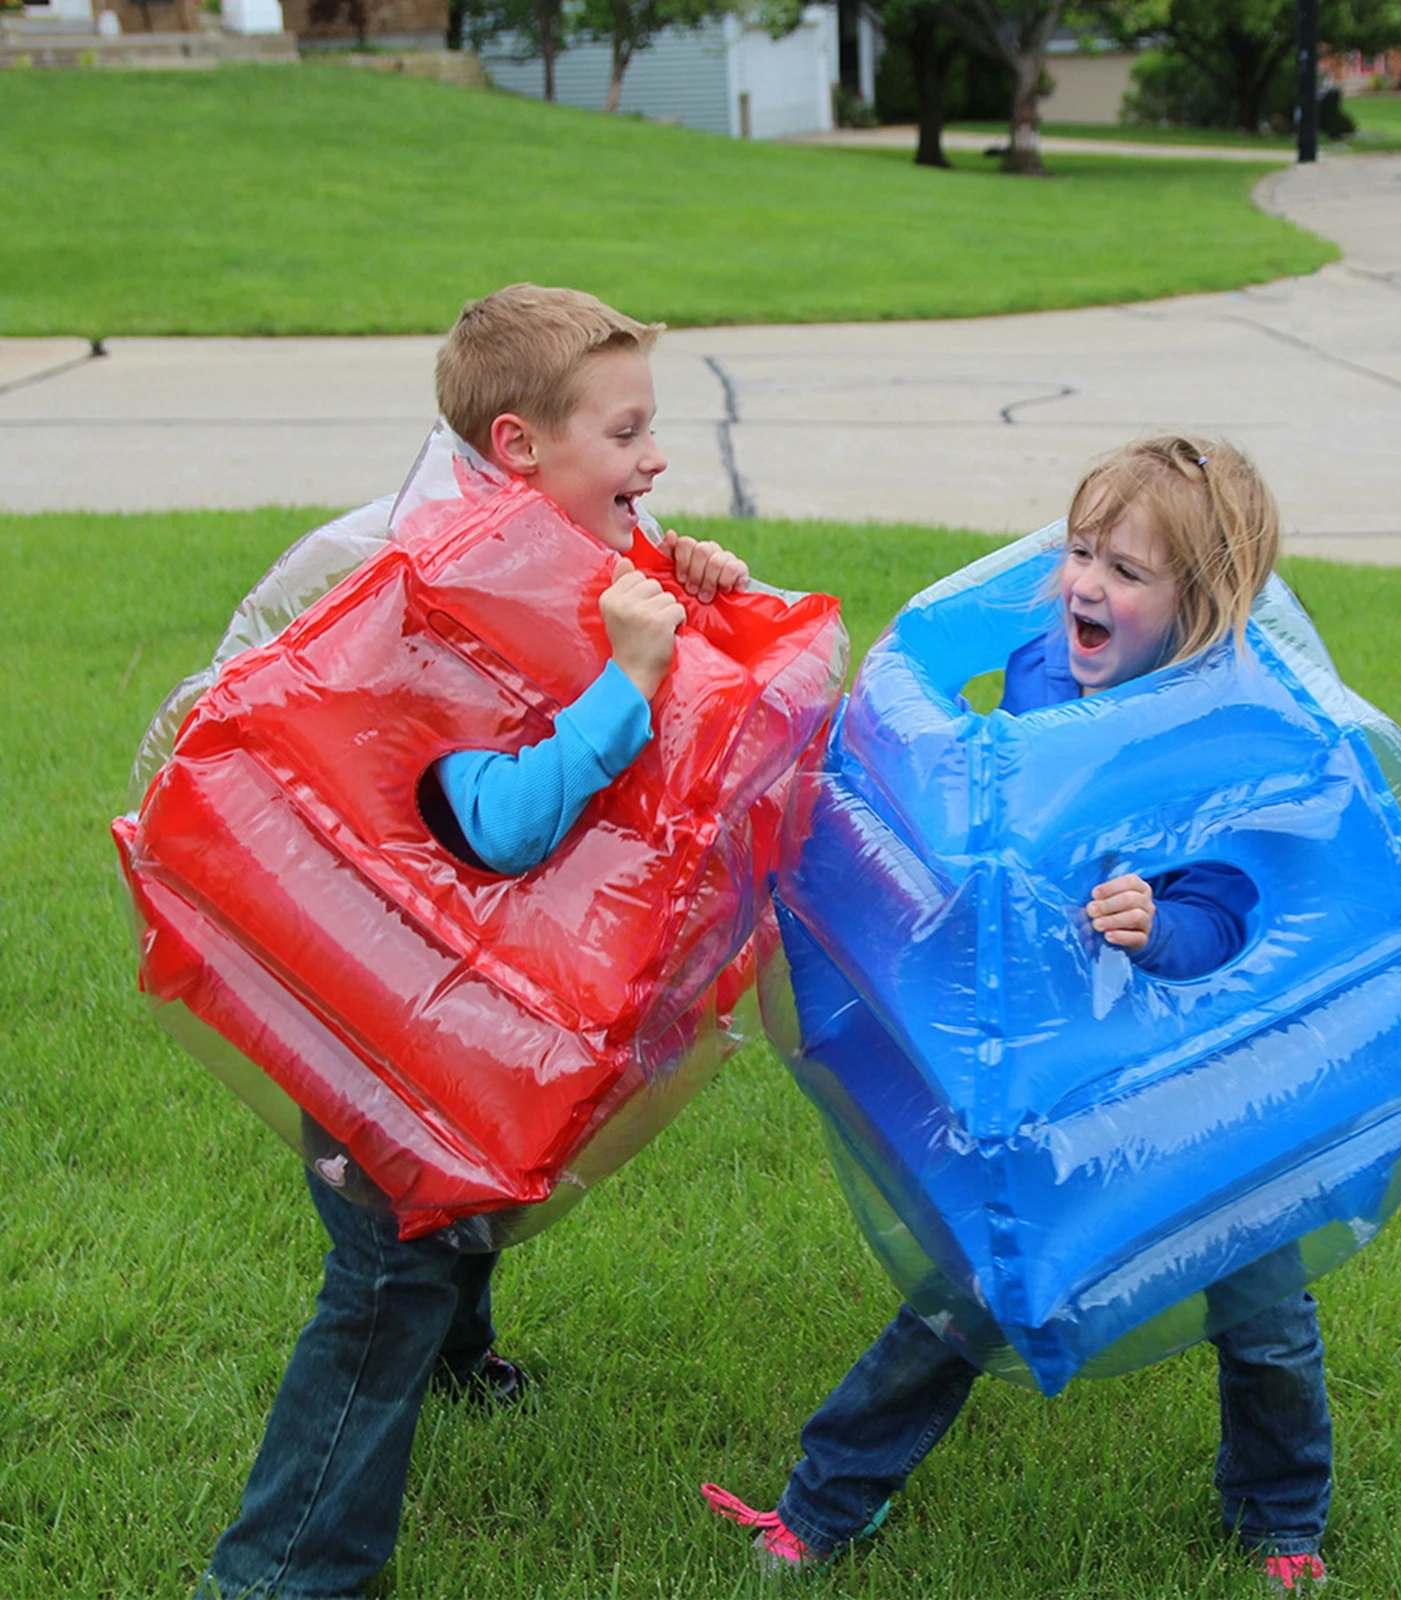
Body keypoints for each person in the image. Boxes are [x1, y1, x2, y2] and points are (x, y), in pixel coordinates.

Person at [195, 285, 749, 1600]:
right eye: (627, 435)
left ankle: (459, 1359)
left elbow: (589, 599)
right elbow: (496, 826)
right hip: (378, 1023)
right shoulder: (434, 593)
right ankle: (281, 1574)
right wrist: (624, 682)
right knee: (393, 1260)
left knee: (474, 1172)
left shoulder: (525, 543)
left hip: (427, 1000)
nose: (654, 459)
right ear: (518, 447)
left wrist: (679, 573)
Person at [704, 435, 1331, 1595]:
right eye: (1079, 551)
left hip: (1201, 1091)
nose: (1086, 583)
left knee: (1265, 1316)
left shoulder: (1224, 730)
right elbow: (982, 786)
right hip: (1049, 1075)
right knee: (964, 1291)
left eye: (1125, 572)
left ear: (1202, 608)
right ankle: (826, 1498)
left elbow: (1240, 899)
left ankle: (1282, 1519)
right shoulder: (1045, 667)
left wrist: (1164, 922)